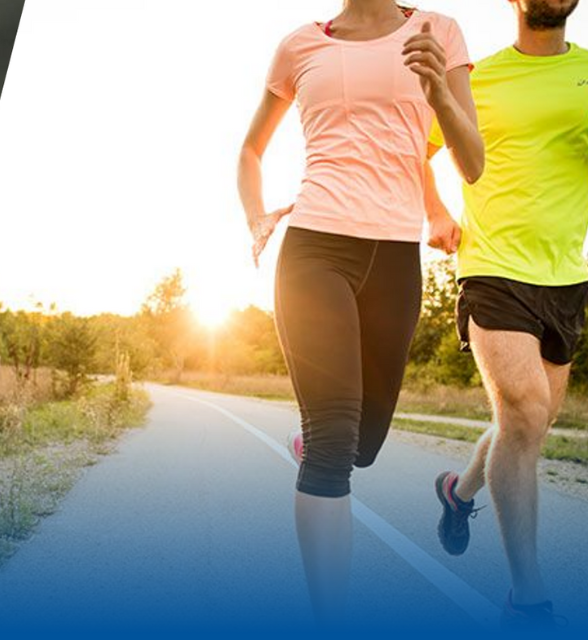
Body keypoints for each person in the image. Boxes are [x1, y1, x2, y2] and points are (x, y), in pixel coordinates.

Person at [237, 0, 484, 624]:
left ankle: (318, 438)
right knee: (333, 446)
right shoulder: (300, 45)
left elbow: (474, 162)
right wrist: (256, 214)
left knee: (363, 445)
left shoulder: (441, 32)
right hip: (315, 247)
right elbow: (250, 150)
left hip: (395, 257)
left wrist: (440, 94)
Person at [424, 0, 584, 628]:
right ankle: (528, 593)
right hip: (491, 267)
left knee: (531, 423)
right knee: (522, 411)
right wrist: (435, 212)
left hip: (567, 275)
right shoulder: (477, 77)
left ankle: (457, 492)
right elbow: (416, 149)